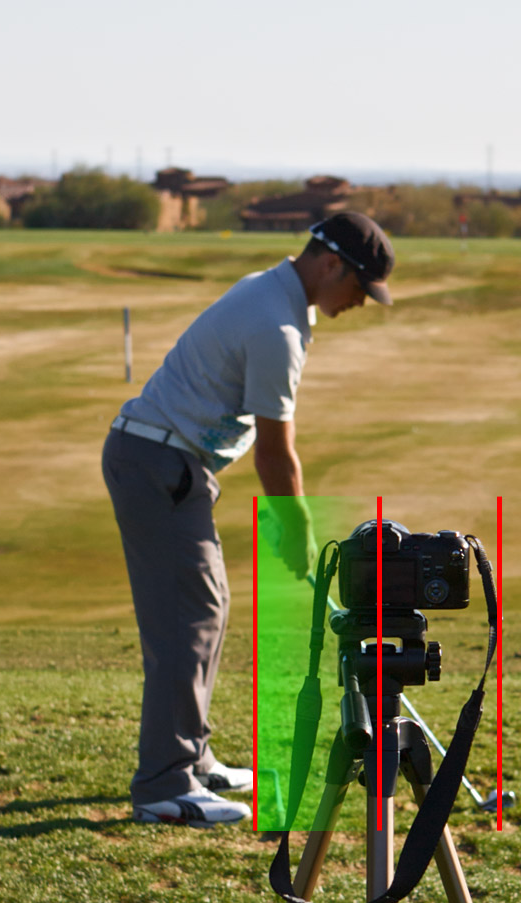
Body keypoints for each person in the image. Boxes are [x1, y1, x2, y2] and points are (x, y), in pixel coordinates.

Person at [102, 211, 395, 826]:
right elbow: (273, 452)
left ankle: (193, 757)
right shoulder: (276, 324)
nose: (359, 304)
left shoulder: (274, 295)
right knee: (189, 620)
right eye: (359, 288)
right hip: (160, 465)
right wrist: (299, 529)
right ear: (330, 264)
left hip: (163, 462)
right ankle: (163, 784)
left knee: (205, 611)